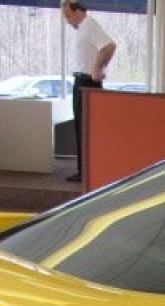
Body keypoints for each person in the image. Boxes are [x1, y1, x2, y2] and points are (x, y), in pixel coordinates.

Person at [61, 1, 116, 183]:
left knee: (85, 128)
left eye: (68, 16)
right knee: (81, 127)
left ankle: (87, 172)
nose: (67, 21)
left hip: (87, 82)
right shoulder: (83, 29)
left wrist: (97, 68)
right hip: (82, 80)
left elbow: (109, 46)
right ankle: (83, 171)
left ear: (78, 11)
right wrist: (98, 68)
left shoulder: (89, 24)